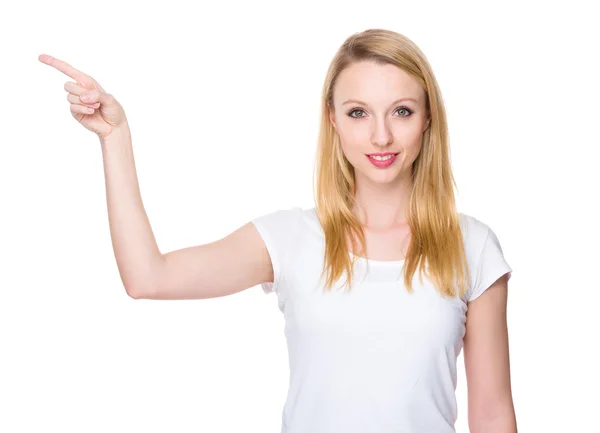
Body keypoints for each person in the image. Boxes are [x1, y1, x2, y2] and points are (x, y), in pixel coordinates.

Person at [39, 28, 517, 433]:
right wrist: (114, 138)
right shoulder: (290, 238)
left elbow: (493, 414)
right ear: (332, 120)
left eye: (401, 111)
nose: (381, 137)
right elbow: (148, 278)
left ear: (428, 116)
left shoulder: (472, 247)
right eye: (358, 112)